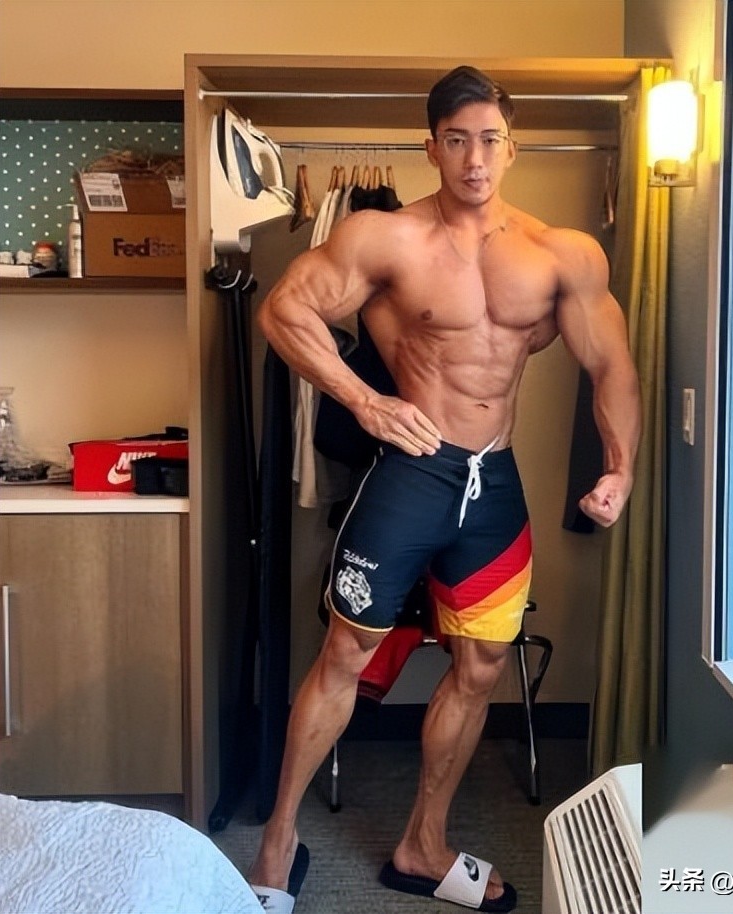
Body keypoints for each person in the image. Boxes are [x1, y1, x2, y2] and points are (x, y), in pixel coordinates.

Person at [248, 65, 641, 914]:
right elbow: (283, 310)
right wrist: (365, 400)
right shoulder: (385, 239)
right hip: (409, 479)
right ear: (431, 148)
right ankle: (277, 843)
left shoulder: (560, 254)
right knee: (344, 655)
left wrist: (619, 468)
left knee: (482, 665)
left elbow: (612, 365)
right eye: (457, 140)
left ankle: (422, 843)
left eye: (490, 140)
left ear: (512, 147)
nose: (475, 158)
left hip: (493, 488)